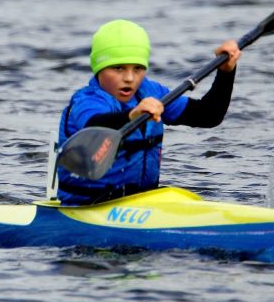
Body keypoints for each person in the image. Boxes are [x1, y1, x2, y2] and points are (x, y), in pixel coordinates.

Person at [56, 19, 241, 205]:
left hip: (140, 204)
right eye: (118, 68)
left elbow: (209, 116)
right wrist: (131, 116)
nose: (129, 78)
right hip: (87, 206)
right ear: (99, 68)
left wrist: (226, 72)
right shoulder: (88, 100)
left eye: (137, 68)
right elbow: (94, 124)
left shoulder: (151, 93)